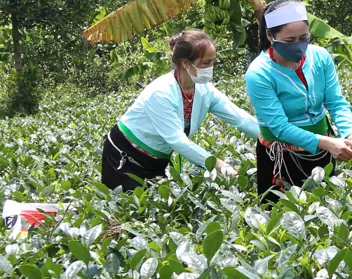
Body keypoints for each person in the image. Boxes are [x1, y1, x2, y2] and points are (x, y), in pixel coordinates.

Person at [102, 30, 260, 191]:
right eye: (206, 63)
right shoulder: (160, 92)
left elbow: (240, 118)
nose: (210, 68)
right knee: (130, 210)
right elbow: (178, 141)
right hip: (125, 156)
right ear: (185, 63)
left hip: (158, 161)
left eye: (212, 62)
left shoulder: (205, 90)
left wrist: (271, 138)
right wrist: (219, 165)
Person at [244, 0, 352, 199]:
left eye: (304, 37)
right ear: (270, 35)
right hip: (280, 159)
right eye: (290, 41)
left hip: (321, 151)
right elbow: (279, 127)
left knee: (325, 211)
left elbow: (336, 102)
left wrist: (351, 134)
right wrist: (328, 143)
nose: (299, 46)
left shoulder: (321, 57)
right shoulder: (259, 73)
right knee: (280, 218)